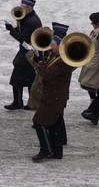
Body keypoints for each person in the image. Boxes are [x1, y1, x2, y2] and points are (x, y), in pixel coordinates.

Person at [31, 30, 76, 162]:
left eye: (53, 44)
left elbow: (47, 76)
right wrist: (39, 60)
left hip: (54, 98)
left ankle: (46, 150)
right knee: (54, 124)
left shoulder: (63, 61)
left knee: (38, 122)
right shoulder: (55, 56)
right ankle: (57, 152)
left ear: (59, 46)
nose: (50, 46)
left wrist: (40, 62)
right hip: (53, 96)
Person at [4, 0, 42, 110]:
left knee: (17, 78)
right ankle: (30, 103)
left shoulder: (31, 21)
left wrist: (11, 29)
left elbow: (23, 39)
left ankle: (18, 102)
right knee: (30, 78)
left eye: (23, 7)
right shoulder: (29, 18)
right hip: (30, 52)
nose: (21, 9)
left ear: (30, 8)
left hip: (28, 52)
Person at [77, 12, 99, 115]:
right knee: (90, 85)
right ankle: (95, 105)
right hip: (91, 62)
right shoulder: (96, 32)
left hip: (97, 64)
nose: (91, 23)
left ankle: (96, 106)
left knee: (95, 85)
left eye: (93, 22)